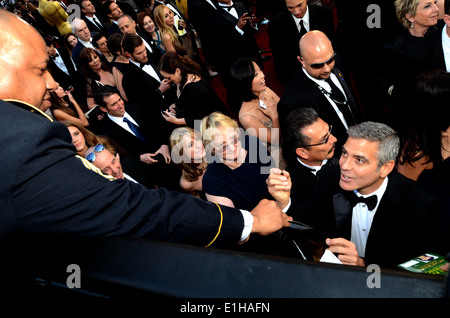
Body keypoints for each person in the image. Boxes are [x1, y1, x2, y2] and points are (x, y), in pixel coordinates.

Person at [0, 10, 291, 286]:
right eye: (41, 70)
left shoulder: (250, 147)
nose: (52, 83)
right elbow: (133, 209)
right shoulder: (28, 146)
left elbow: (275, 167)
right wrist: (249, 221)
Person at [275, 121, 441, 269]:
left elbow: (417, 273)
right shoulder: (330, 177)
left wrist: (363, 266)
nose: (344, 165)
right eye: (345, 153)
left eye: (359, 160)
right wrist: (284, 203)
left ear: (386, 168)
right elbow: (304, 224)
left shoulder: (420, 206)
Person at [278, 30, 362, 158]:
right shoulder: (292, 102)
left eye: (329, 60)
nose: (327, 69)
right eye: (317, 65)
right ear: (301, 61)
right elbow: (299, 150)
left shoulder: (338, 60)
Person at [95, 85, 181, 190]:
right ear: (103, 108)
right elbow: (119, 158)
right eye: (114, 104)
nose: (120, 105)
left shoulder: (138, 107)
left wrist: (164, 144)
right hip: (153, 176)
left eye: (120, 100)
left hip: (174, 158)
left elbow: (160, 125)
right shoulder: (105, 133)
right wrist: (139, 158)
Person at [201, 112, 275, 211]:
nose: (232, 148)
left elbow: (273, 173)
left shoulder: (253, 143)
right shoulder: (212, 180)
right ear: (212, 149)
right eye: (223, 146)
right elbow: (233, 221)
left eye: (234, 139)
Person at [281, 107, 339, 212]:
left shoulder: (343, 153)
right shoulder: (290, 188)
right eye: (325, 139)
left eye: (329, 130)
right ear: (303, 152)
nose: (334, 139)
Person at [229, 58, 283, 168]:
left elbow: (286, 110)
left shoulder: (265, 91)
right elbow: (275, 141)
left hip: (291, 140)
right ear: (244, 81)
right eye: (256, 74)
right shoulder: (246, 117)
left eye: (260, 70)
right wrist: (274, 116)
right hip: (279, 157)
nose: (263, 75)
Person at [268, 0, 336, 85]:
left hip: (328, 74)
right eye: (290, 7)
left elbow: (333, 46)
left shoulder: (325, 14)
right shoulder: (275, 25)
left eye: (299, 5)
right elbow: (279, 61)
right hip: (298, 81)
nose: (296, 11)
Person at [158, 51, 227, 129]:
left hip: (213, 128)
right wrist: (176, 106)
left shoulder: (192, 88)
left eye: (169, 77)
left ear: (177, 71)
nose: (168, 81)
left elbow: (201, 118)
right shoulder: (187, 77)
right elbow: (192, 104)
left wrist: (177, 121)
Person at [121, 33, 176, 109]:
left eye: (144, 50)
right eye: (139, 53)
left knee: (196, 120)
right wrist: (159, 91)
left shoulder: (150, 58)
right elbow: (141, 105)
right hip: (160, 116)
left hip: (175, 106)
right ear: (128, 54)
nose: (144, 55)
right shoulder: (128, 78)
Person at [170, 126, 207, 198]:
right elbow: (201, 205)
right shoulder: (186, 183)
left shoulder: (217, 153)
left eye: (197, 139)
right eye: (191, 145)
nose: (199, 145)